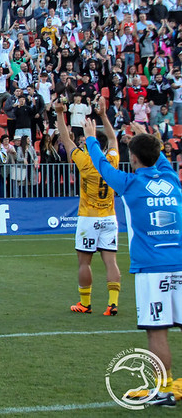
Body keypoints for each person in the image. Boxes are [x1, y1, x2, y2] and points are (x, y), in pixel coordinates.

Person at [83, 119, 182, 406]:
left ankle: (164, 389)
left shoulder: (130, 184)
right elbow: (160, 160)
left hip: (152, 269)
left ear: (133, 158)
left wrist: (90, 138)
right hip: (180, 262)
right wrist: (147, 138)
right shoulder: (171, 179)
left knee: (157, 331)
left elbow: (102, 166)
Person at [55, 100, 121, 316]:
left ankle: (85, 303)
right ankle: (112, 304)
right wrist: (103, 116)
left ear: (90, 145)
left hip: (88, 217)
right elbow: (113, 139)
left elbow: (65, 139)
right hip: (109, 216)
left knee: (85, 262)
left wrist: (60, 114)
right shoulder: (111, 160)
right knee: (110, 261)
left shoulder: (85, 161)